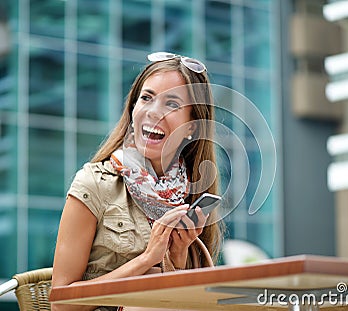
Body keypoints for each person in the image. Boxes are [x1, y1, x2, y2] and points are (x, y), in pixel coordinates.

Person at [51, 52, 224, 311]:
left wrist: (177, 257)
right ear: (133, 109)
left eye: (172, 104)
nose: (154, 112)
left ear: (192, 126)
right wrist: (146, 260)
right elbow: (61, 305)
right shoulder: (94, 183)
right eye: (147, 98)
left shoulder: (190, 195)